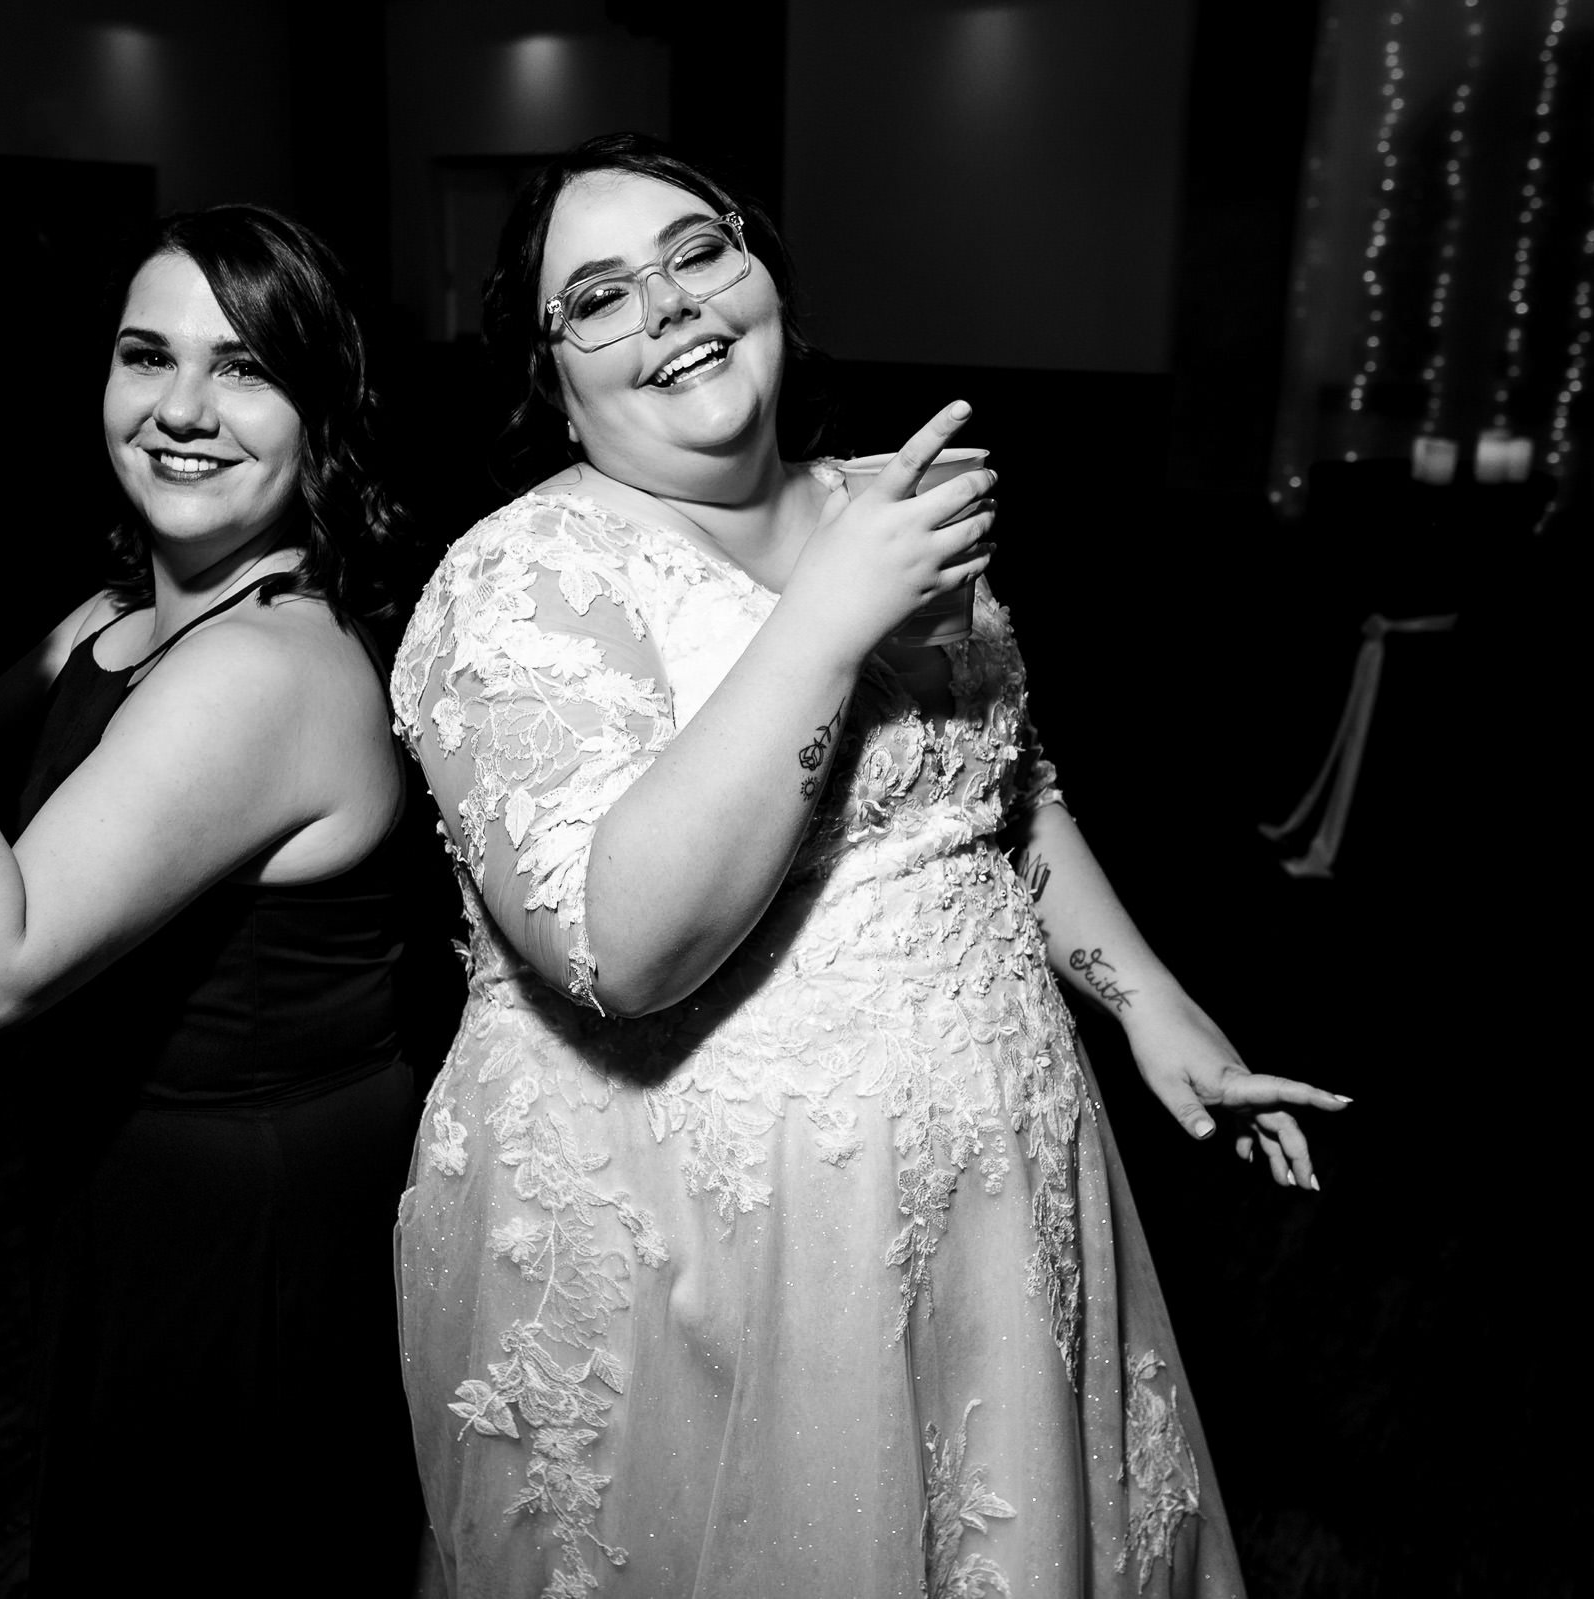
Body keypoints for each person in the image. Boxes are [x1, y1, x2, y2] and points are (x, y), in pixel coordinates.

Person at [388, 133, 1347, 1597]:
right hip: (708, 1247)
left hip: (997, 1196)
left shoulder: (883, 507)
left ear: (763, 271)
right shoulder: (516, 585)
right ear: (547, 372)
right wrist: (827, 621)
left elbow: (999, 795)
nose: (670, 306)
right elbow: (624, 950)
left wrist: (1148, 1001)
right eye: (597, 297)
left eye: (699, 251)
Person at [0, 205, 421, 1589]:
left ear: (322, 414)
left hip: (249, 1211)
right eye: (148, 356)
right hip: (118, 1168)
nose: (183, 408)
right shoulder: (110, 619)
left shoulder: (269, 669)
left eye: (245, 368)